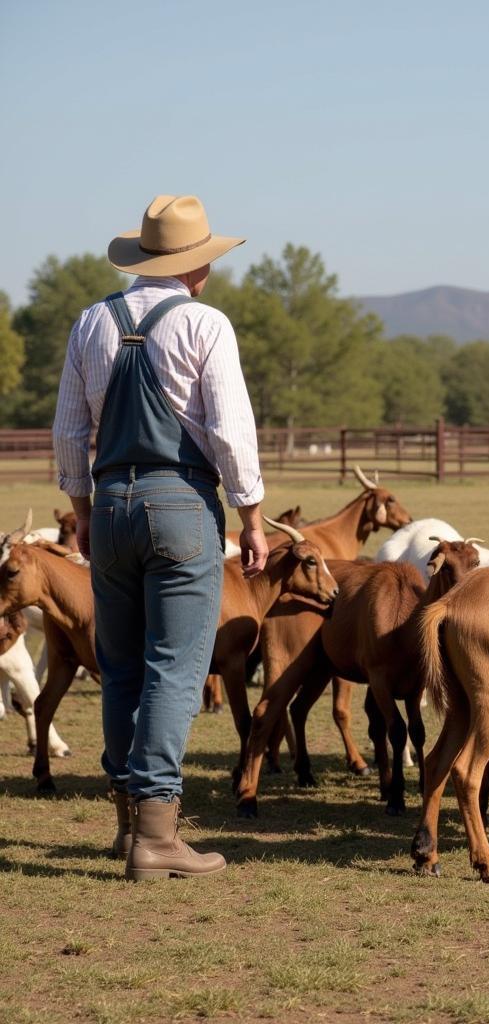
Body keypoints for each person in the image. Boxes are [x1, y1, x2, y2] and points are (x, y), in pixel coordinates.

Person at [52, 195, 268, 880]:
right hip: (180, 504)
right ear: (196, 265)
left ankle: (125, 825)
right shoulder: (206, 323)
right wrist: (253, 514)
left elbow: (68, 432)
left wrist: (82, 510)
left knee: (118, 666)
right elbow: (231, 433)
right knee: (174, 668)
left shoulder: (93, 321)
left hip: (110, 504)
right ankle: (157, 835)